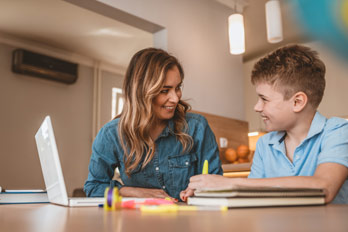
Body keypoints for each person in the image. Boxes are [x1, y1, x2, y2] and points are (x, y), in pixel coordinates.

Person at [180, 44, 348, 203]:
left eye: (264, 99)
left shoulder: (338, 131)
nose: (256, 107)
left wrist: (231, 183)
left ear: (297, 102)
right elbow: (251, 196)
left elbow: (324, 188)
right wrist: (209, 191)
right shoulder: (265, 144)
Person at [84, 48, 222, 200]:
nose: (175, 98)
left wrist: (201, 191)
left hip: (188, 222)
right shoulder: (111, 134)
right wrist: (134, 192)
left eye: (177, 88)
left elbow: (217, 185)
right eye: (164, 90)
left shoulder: (197, 127)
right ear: (141, 93)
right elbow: (94, 187)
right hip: (138, 222)